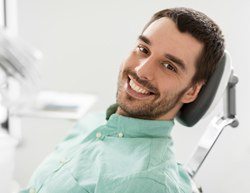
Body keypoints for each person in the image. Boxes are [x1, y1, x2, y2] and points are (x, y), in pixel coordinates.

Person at [20, 7, 224, 193]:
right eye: (143, 49)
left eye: (169, 66)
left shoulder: (147, 183)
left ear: (192, 91)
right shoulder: (92, 122)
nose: (141, 70)